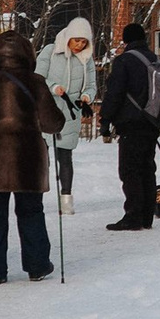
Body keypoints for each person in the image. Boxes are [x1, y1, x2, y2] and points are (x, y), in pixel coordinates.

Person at [0, 28, 59, 283]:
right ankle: (37, 266)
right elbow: (52, 123)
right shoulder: (36, 82)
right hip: (28, 158)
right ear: (28, 55)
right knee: (31, 213)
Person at [101, 20, 160, 231]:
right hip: (151, 123)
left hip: (131, 123)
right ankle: (147, 216)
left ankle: (133, 216)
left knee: (130, 171)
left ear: (126, 40)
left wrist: (105, 120)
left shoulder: (124, 61)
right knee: (147, 169)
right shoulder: (155, 59)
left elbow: (114, 94)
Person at [35, 17, 97, 215]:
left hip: (71, 113)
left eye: (83, 41)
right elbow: (38, 78)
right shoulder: (51, 51)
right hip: (47, 109)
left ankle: (66, 201)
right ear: (69, 37)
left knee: (65, 156)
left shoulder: (86, 58)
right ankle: (36, 199)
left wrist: (87, 96)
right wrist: (53, 87)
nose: (80, 45)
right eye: (76, 40)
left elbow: (91, 85)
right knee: (41, 156)